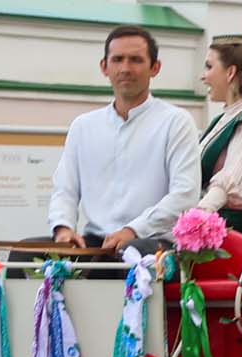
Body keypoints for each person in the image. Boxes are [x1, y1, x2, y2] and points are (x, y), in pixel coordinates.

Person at [48, 26, 203, 251]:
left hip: (151, 242)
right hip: (95, 241)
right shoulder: (83, 126)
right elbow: (64, 188)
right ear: (104, 67)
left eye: (136, 60)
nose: (125, 68)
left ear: (155, 68)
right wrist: (62, 228)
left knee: (131, 253)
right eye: (118, 59)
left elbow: (185, 196)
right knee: (25, 256)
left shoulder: (176, 122)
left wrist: (133, 230)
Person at [194, 37, 242, 234]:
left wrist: (198, 217)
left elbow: (231, 181)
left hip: (229, 229)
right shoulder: (226, 117)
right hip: (214, 223)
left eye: (209, 67)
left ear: (230, 72)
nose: (202, 77)